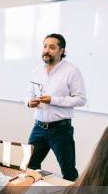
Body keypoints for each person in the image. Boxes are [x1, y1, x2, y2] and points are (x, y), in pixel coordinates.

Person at [26, 34, 86, 181]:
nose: (47, 50)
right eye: (45, 46)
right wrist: (29, 102)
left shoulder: (71, 71)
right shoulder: (36, 71)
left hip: (60, 129)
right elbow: (28, 95)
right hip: (38, 128)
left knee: (68, 171)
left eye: (52, 47)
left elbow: (81, 99)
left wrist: (53, 100)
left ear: (61, 50)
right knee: (28, 166)